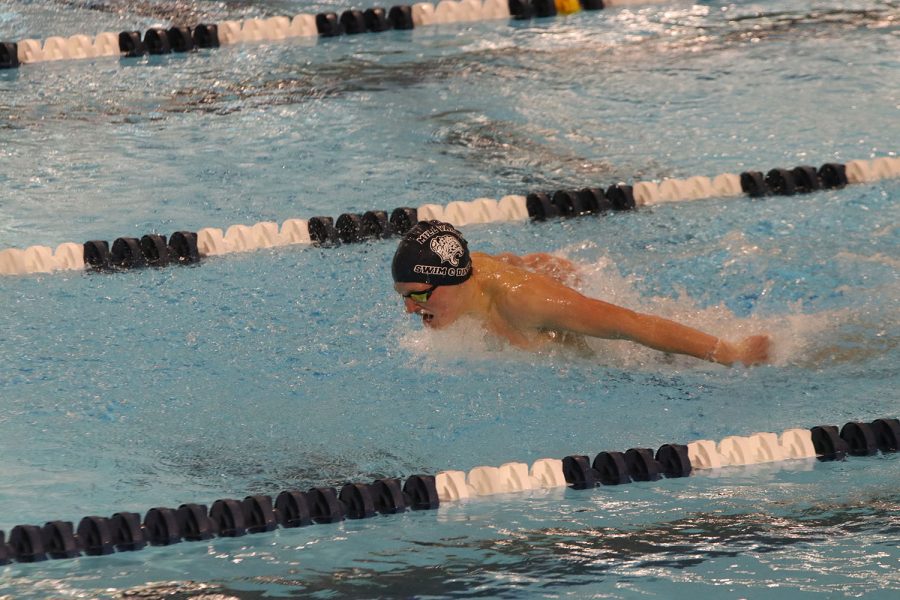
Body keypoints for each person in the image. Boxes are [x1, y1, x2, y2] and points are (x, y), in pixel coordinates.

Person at [391, 220, 771, 366]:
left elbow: (631, 325)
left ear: (452, 279)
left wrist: (731, 353)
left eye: (418, 295)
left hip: (638, 361)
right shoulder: (467, 278)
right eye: (403, 296)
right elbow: (502, 259)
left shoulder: (525, 302)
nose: (410, 309)